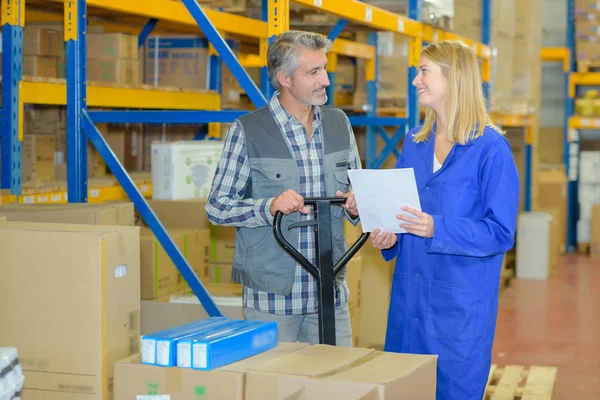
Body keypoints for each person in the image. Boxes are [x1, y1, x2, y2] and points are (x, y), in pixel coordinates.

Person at [370, 40, 519, 399]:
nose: (415, 81)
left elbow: (499, 232)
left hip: (459, 310)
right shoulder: (414, 144)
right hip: (409, 302)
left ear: (454, 79)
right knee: (405, 389)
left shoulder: (491, 150)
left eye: (424, 71)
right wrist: (391, 236)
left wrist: (438, 227)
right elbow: (402, 215)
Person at [205, 30, 361, 346]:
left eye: (325, 68)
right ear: (285, 79)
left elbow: (358, 190)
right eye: (314, 72)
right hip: (273, 300)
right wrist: (268, 205)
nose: (326, 80)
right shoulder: (247, 131)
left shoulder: (339, 123)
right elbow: (217, 206)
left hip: (329, 292)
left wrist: (360, 205)